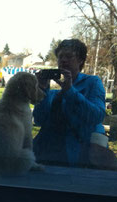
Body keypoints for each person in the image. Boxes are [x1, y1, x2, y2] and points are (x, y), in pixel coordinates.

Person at [33, 39, 107, 168]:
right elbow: (39, 120)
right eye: (60, 57)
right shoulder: (52, 93)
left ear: (80, 60)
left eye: (69, 56)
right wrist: (42, 90)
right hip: (44, 150)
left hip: (79, 153)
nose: (63, 60)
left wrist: (70, 91)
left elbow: (97, 116)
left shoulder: (92, 82)